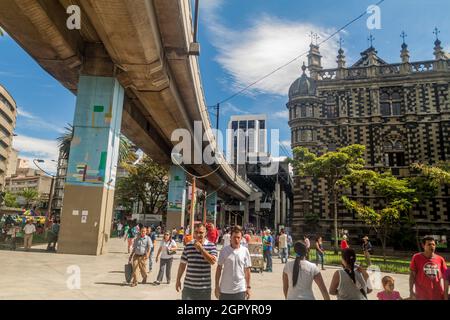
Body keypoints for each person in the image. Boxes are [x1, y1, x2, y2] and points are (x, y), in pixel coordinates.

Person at [176, 223, 217, 300]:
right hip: (188, 288)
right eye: (196, 232)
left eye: (201, 232)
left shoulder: (211, 245)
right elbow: (182, 265)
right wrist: (178, 280)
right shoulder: (188, 246)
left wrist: (201, 249)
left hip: (204, 288)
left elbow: (212, 261)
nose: (198, 235)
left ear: (206, 233)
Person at [215, 225, 251, 300]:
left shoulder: (245, 251)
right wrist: (216, 286)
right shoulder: (224, 251)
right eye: (234, 237)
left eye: (238, 237)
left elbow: (247, 271)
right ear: (230, 238)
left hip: (240, 289)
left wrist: (248, 287)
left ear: (241, 238)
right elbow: (219, 269)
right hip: (225, 289)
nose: (236, 240)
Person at [409, 236, 448, 300]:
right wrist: (411, 291)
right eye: (429, 244)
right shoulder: (416, 257)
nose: (432, 246)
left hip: (437, 294)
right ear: (423, 246)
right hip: (421, 295)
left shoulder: (440, 259)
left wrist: (445, 293)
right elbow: (412, 275)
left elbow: (446, 278)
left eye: (433, 244)